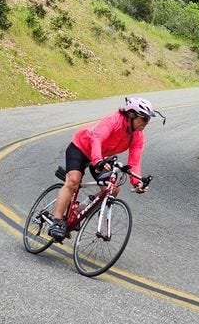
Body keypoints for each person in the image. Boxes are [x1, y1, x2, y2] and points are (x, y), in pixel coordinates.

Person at [49, 96, 157, 239]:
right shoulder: (113, 120)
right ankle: (56, 221)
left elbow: (134, 162)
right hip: (81, 148)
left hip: (102, 157)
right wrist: (97, 160)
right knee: (74, 181)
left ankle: (80, 210)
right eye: (144, 119)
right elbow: (97, 139)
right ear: (131, 114)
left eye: (148, 119)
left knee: (112, 189)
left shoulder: (137, 136)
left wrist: (137, 182)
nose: (146, 123)